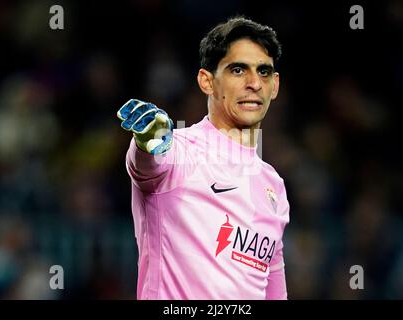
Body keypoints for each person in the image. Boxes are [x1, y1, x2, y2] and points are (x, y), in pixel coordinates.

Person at [117, 16, 290, 300]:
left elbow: (274, 293)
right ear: (207, 81)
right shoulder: (179, 150)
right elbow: (145, 165)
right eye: (238, 70)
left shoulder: (274, 186)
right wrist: (147, 142)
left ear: (275, 86)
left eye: (264, 72)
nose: (254, 83)